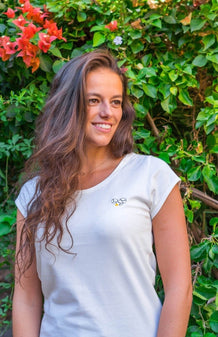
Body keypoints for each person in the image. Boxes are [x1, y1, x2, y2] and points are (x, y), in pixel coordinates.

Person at [12, 49, 192, 337]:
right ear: (69, 106)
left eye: (116, 102)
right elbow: (26, 299)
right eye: (94, 101)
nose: (108, 113)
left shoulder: (150, 176)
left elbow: (179, 288)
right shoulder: (34, 194)